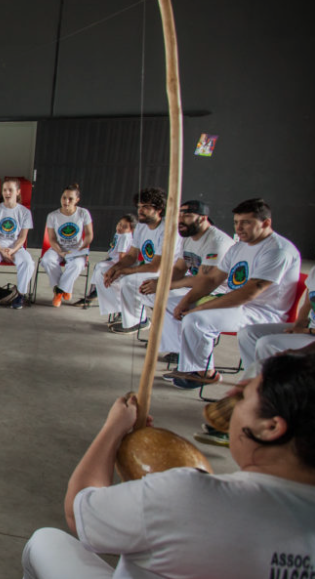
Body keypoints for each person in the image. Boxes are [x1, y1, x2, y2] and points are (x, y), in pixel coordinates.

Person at [22, 353, 315, 579]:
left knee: (43, 541)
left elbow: (79, 511)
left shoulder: (191, 495)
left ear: (271, 427)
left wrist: (113, 429)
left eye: (244, 398)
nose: (233, 405)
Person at [161, 198, 301, 388]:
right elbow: (212, 279)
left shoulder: (277, 251)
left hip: (261, 312)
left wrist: (199, 308)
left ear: (266, 223)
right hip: (238, 305)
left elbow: (248, 294)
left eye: (246, 222)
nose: (239, 228)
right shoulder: (239, 246)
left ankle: (203, 372)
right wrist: (186, 301)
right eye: (236, 222)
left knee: (197, 320)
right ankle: (185, 358)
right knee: (172, 305)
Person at [137, 200, 234, 361]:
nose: (181, 220)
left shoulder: (216, 242)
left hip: (217, 291)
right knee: (150, 291)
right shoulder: (188, 237)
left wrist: (164, 285)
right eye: (179, 215)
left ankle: (181, 349)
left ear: (203, 218)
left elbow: (205, 281)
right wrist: (159, 282)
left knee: (167, 300)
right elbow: (179, 268)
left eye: (187, 216)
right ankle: (171, 339)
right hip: (197, 285)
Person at [98, 187, 174, 332]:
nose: (140, 210)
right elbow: (132, 255)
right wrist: (115, 268)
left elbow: (156, 267)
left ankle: (137, 321)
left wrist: (123, 270)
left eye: (145, 207)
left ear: (159, 209)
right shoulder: (140, 226)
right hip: (150, 269)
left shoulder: (166, 229)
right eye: (139, 206)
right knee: (103, 270)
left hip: (165, 274)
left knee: (128, 281)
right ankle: (128, 313)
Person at [238, 262, 315, 368]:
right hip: (309, 329)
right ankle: (253, 378)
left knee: (267, 343)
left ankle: (271, 382)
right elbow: (307, 305)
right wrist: (299, 325)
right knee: (248, 333)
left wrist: (307, 331)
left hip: (311, 334)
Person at [0, 178, 33, 309]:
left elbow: (22, 238)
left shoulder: (25, 212)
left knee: (28, 262)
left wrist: (12, 250)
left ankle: (20, 295)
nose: (7, 193)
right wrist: (2, 250)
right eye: (4, 190)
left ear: (18, 192)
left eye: (10, 190)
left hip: (15, 247)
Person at [40, 183, 93, 307]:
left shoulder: (83, 213)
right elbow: (52, 238)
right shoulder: (53, 216)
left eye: (70, 199)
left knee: (77, 264)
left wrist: (80, 249)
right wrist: (60, 252)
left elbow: (89, 234)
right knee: (47, 260)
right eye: (64, 197)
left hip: (77, 248)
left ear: (77, 200)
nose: (66, 201)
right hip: (58, 247)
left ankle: (58, 292)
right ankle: (65, 289)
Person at [71, 213, 135, 308]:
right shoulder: (119, 233)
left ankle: (94, 293)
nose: (120, 227)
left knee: (100, 268)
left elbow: (122, 255)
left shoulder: (125, 237)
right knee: (98, 266)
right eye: (120, 224)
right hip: (112, 259)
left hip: (117, 262)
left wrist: (118, 269)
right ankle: (93, 293)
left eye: (125, 227)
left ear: (131, 230)